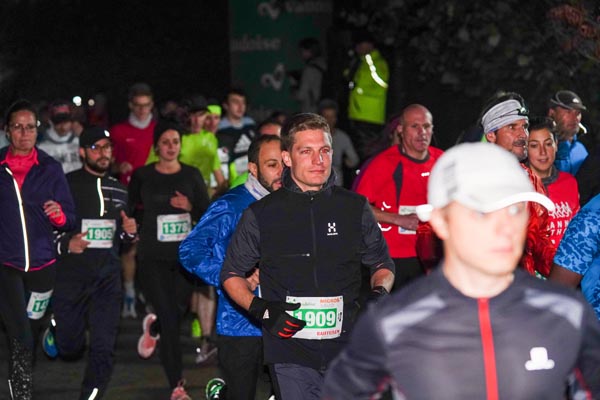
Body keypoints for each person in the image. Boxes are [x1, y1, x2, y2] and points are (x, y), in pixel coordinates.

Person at [322, 142, 600, 399]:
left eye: (515, 210)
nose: (505, 228)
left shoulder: (566, 313)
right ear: (441, 221)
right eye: (482, 212)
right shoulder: (393, 323)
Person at [221, 113, 395, 400]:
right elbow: (231, 274)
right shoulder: (261, 214)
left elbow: (381, 264)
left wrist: (378, 294)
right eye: (306, 151)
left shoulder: (354, 207)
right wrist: (264, 310)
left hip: (348, 347)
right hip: (290, 351)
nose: (318, 160)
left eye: (325, 150)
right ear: (287, 158)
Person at [180, 134, 284, 400]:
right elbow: (190, 250)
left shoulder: (291, 203)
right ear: (253, 168)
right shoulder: (230, 205)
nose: (281, 171)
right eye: (272, 164)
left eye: (285, 163)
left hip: (282, 319)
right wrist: (232, 277)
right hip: (240, 324)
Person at [42, 126, 138, 399]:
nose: (104, 153)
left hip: (107, 279)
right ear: (82, 152)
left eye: (108, 147)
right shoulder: (65, 185)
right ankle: (57, 328)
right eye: (96, 148)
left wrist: (130, 232)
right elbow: (43, 229)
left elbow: (121, 237)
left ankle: (91, 395)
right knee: (70, 348)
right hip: (72, 277)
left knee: (103, 346)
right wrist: (66, 243)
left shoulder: (119, 189)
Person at [0, 99, 76, 399]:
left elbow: (70, 217)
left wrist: (59, 215)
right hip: (7, 265)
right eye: (17, 127)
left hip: (44, 266)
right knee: (19, 333)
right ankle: (22, 393)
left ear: (37, 130)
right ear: (7, 131)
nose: (24, 133)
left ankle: (24, 375)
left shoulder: (50, 168)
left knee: (30, 331)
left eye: (29, 127)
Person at [131, 120, 209, 400]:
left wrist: (189, 206)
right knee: (171, 320)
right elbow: (129, 210)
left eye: (175, 142)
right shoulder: (143, 176)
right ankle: (177, 384)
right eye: (165, 142)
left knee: (176, 314)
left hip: (184, 260)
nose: (171, 147)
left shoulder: (191, 174)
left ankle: (154, 327)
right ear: (156, 147)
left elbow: (207, 212)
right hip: (152, 258)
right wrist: (130, 228)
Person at [355, 104, 443, 289]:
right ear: (401, 130)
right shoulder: (382, 163)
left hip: (434, 255)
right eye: (415, 126)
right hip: (394, 257)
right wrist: (398, 219)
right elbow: (356, 207)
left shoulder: (443, 161)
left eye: (426, 126)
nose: (422, 132)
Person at [481, 92, 555, 277]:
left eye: (525, 127)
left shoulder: (531, 180)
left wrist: (566, 270)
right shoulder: (471, 178)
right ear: (491, 135)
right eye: (512, 127)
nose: (523, 135)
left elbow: (539, 240)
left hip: (521, 284)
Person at [110, 82, 157, 318]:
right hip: (128, 199)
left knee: (149, 252)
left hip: (153, 200)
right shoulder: (118, 131)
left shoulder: (158, 130)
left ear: (152, 105)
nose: (141, 110)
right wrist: (119, 167)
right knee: (128, 250)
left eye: (145, 105)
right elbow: (108, 163)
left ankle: (149, 295)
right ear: (130, 105)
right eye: (137, 105)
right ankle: (129, 294)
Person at [526, 117, 580, 248]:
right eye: (534, 145)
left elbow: (577, 231)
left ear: (556, 144)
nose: (543, 152)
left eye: (548, 144)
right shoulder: (518, 187)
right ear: (525, 148)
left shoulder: (570, 182)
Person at [345, 30, 389, 161]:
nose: (358, 48)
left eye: (361, 44)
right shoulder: (361, 62)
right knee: (358, 153)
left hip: (371, 118)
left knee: (368, 154)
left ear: (370, 45)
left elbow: (381, 82)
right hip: (357, 115)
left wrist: (369, 59)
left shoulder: (377, 62)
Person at [216, 88, 256, 185]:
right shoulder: (219, 128)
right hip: (233, 179)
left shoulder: (250, 124)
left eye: (243, 102)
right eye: (235, 102)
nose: (240, 106)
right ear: (226, 105)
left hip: (253, 175)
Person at [318, 99, 359, 188]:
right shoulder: (312, 137)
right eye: (326, 117)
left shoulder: (342, 137)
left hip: (336, 185)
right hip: (316, 184)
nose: (329, 120)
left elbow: (354, 160)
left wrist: (345, 162)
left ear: (336, 118)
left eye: (332, 117)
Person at [548, 89, 588, 176]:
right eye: (568, 112)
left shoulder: (581, 149)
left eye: (578, 113)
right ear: (552, 113)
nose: (574, 118)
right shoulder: (540, 148)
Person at [37, 99, 82, 173]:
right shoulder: (41, 147)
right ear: (51, 121)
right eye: (58, 121)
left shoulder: (80, 142)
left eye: (66, 121)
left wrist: (84, 137)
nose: (63, 126)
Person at [292, 37, 327, 113]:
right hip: (325, 107)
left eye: (302, 51)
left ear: (309, 51)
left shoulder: (310, 69)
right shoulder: (324, 65)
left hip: (312, 109)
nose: (301, 54)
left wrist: (294, 90)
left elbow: (301, 95)